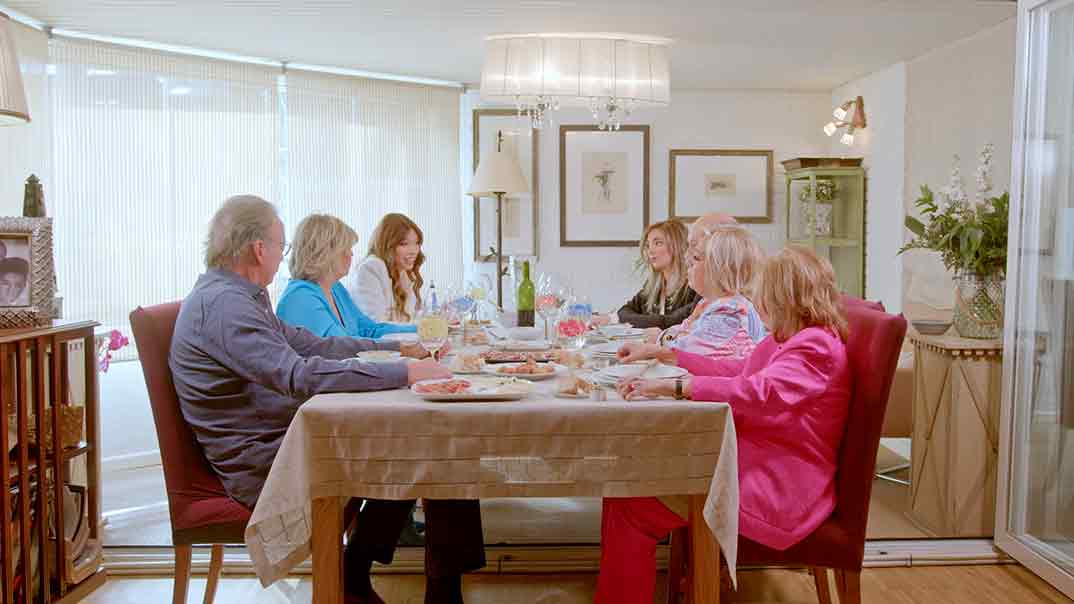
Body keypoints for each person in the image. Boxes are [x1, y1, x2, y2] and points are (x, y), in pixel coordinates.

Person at [170, 196, 484, 604]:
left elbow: (313, 344)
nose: (284, 259)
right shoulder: (226, 305)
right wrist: (404, 371)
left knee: (429, 440)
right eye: (280, 247)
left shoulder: (239, 297)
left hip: (280, 437)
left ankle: (382, 575)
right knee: (429, 442)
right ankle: (413, 586)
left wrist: (402, 350)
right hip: (265, 460)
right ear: (258, 249)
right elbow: (298, 376)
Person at [598, 246, 852, 604]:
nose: (758, 302)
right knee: (627, 485)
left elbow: (758, 392)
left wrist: (676, 386)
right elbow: (739, 371)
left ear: (783, 298)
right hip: (757, 461)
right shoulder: (798, 337)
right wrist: (666, 356)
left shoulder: (815, 347)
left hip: (779, 486)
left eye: (763, 294)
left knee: (629, 500)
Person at [633, 224, 766, 359]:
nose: (688, 261)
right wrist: (668, 335)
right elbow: (684, 328)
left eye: (696, 258)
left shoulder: (729, 312)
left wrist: (661, 338)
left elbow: (688, 352)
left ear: (720, 271)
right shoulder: (708, 302)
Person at [277, 214, 417, 339]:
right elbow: (342, 347)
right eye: (346, 249)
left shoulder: (335, 289)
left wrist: (421, 330)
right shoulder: (300, 297)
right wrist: (400, 348)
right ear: (324, 253)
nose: (350, 254)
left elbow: (369, 329)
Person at [615, 220, 699, 329]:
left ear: (677, 245)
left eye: (658, 243)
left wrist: (629, 319)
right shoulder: (653, 286)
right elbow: (624, 311)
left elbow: (669, 322)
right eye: (648, 245)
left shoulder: (696, 285)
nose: (650, 251)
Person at [350, 213, 425, 323]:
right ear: (387, 244)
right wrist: (419, 329)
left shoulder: (404, 272)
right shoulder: (371, 268)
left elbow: (409, 319)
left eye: (417, 243)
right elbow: (376, 324)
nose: (413, 251)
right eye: (404, 244)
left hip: (399, 339)